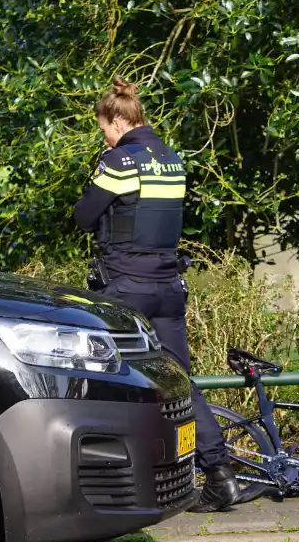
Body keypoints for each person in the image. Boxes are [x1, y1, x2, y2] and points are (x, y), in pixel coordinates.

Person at [72, 76, 240, 513]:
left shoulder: (120, 162)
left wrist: (104, 164)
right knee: (178, 381)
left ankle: (115, 484)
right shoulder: (172, 159)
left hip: (126, 287)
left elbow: (85, 217)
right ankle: (219, 473)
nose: (103, 136)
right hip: (168, 286)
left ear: (115, 120)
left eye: (103, 128)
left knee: (109, 377)